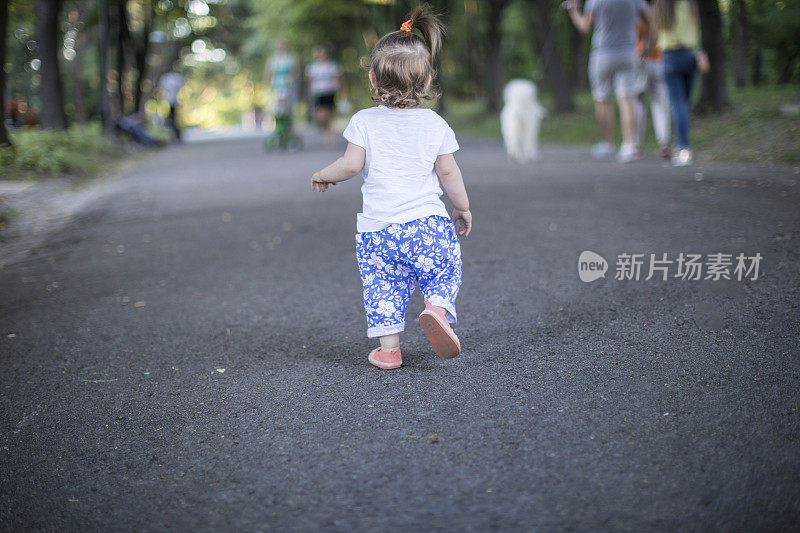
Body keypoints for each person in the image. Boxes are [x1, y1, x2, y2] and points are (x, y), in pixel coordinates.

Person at [309, 5, 472, 370]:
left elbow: (351, 165)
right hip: (427, 225)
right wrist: (461, 207)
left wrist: (324, 174)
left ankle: (389, 350)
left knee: (382, 286)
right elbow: (448, 172)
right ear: (428, 81)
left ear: (372, 78)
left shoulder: (363, 121)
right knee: (443, 270)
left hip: (378, 230)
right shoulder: (434, 123)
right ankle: (437, 310)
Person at [564, 0, 655, 162]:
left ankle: (606, 143)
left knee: (602, 99)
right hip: (628, 53)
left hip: (602, 55)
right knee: (627, 99)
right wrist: (648, 47)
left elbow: (584, 27)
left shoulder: (595, 1)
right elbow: (651, 23)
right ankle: (629, 145)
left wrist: (573, 11)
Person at [653, 0, 709, 166]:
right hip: (690, 55)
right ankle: (684, 148)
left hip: (670, 56)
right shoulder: (689, 4)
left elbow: (657, 31)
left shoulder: (662, 5)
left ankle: (683, 148)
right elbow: (696, 30)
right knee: (685, 103)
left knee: (678, 104)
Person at [634, 14, 671, 159]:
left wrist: (645, 48)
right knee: (660, 104)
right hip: (659, 59)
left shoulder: (638, 8)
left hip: (641, 59)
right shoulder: (662, 8)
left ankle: (635, 145)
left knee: (638, 104)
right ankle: (664, 144)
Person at [305, 45, 343, 145]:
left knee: (330, 113)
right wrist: (308, 92)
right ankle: (324, 129)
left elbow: (339, 79)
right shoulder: (312, 67)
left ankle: (329, 133)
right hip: (318, 93)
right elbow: (308, 81)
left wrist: (341, 91)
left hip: (330, 91)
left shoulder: (334, 66)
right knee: (320, 115)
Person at [159, 71, 186, 142]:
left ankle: (176, 136)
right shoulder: (167, 78)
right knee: (169, 120)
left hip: (173, 102)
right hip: (167, 102)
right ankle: (172, 136)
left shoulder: (174, 78)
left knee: (173, 119)